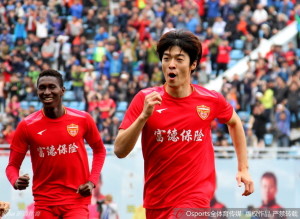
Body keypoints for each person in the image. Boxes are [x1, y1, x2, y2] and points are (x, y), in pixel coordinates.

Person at [114, 30, 254, 218]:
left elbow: (235, 122)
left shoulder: (210, 100)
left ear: (193, 65)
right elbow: (119, 150)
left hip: (195, 199)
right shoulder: (145, 100)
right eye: (166, 58)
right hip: (157, 201)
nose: (171, 65)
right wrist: (143, 117)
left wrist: (243, 168)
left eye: (179, 59)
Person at [6, 69, 106, 219]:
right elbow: (12, 166)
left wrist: (92, 182)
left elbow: (100, 150)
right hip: (44, 203)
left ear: (62, 90)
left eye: (52, 87)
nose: (47, 92)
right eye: (42, 87)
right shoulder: (27, 125)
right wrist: (15, 180)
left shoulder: (83, 119)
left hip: (76, 200)